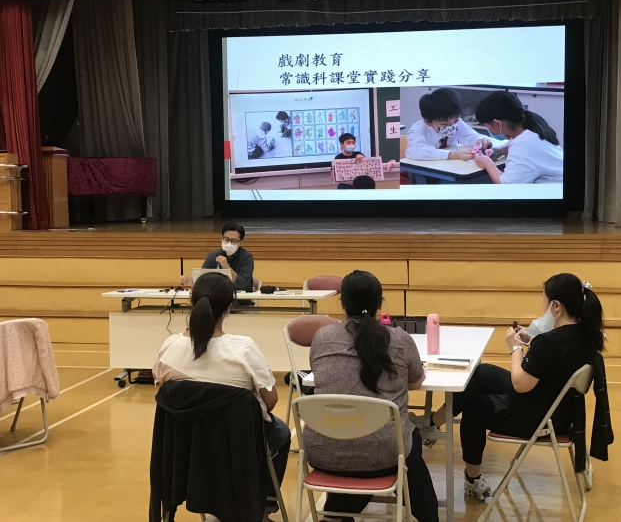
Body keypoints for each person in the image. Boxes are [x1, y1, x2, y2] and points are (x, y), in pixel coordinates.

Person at [410, 273, 604, 500]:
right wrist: (532, 342)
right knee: (480, 374)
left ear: (556, 306)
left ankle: (472, 479)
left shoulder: (550, 342)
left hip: (535, 418)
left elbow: (520, 383)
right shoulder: (586, 335)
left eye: (544, 300)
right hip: (559, 412)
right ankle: (433, 424)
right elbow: (553, 361)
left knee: (475, 406)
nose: (542, 306)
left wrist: (515, 347)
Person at [153, 272, 291, 519]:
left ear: (192, 302)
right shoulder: (243, 349)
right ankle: (263, 505)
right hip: (238, 444)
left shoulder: (169, 346)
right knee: (282, 432)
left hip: (186, 445)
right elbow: (270, 401)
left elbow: (163, 393)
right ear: (229, 307)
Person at [304, 270, 438, 522]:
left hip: (323, 452)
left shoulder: (322, 337)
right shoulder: (399, 339)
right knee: (407, 439)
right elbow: (416, 382)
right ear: (380, 303)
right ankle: (426, 514)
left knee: (356, 444)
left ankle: (336, 515)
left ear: (342, 303)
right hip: (385, 454)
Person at [473, 91, 563, 184]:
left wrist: (487, 163)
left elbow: (508, 186)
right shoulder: (531, 127)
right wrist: (500, 149)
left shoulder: (523, 145)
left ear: (497, 124)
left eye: (487, 126)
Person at [405, 87, 492, 161]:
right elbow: (416, 151)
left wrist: (479, 140)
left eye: (456, 121)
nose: (452, 126)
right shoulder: (418, 130)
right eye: (444, 124)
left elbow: (468, 135)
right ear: (428, 122)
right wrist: (453, 154)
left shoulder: (456, 122)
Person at [180, 222, 254, 292]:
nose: (229, 243)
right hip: (216, 297)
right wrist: (192, 283)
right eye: (226, 239)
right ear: (222, 239)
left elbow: (244, 284)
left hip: (239, 298)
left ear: (240, 242)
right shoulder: (213, 255)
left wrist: (226, 267)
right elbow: (203, 279)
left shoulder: (246, 257)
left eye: (234, 241)